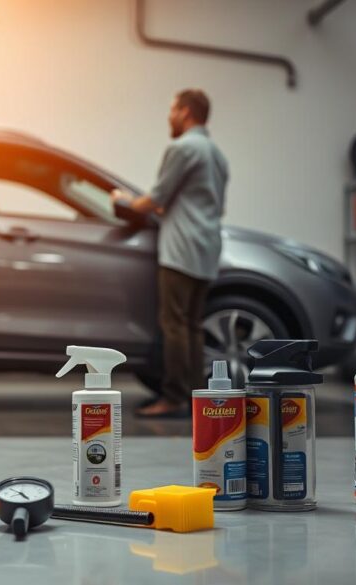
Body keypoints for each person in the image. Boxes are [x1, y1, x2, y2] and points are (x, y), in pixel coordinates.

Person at [112, 89, 229, 418]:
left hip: (181, 249)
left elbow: (156, 198)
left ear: (186, 112)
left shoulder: (182, 148)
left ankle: (174, 397)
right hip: (207, 248)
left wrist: (123, 201)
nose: (169, 116)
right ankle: (194, 397)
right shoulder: (217, 154)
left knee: (174, 324)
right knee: (191, 325)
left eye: (172, 110)